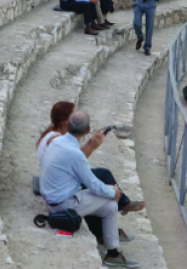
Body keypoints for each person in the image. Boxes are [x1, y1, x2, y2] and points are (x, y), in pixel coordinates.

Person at [40, 110, 139, 268]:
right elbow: (92, 184)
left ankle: (112, 251)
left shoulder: (57, 142)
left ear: (67, 125)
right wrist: (113, 192)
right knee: (111, 201)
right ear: (87, 130)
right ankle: (112, 251)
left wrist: (110, 191)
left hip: (55, 197)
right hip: (64, 205)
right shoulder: (76, 155)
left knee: (109, 205)